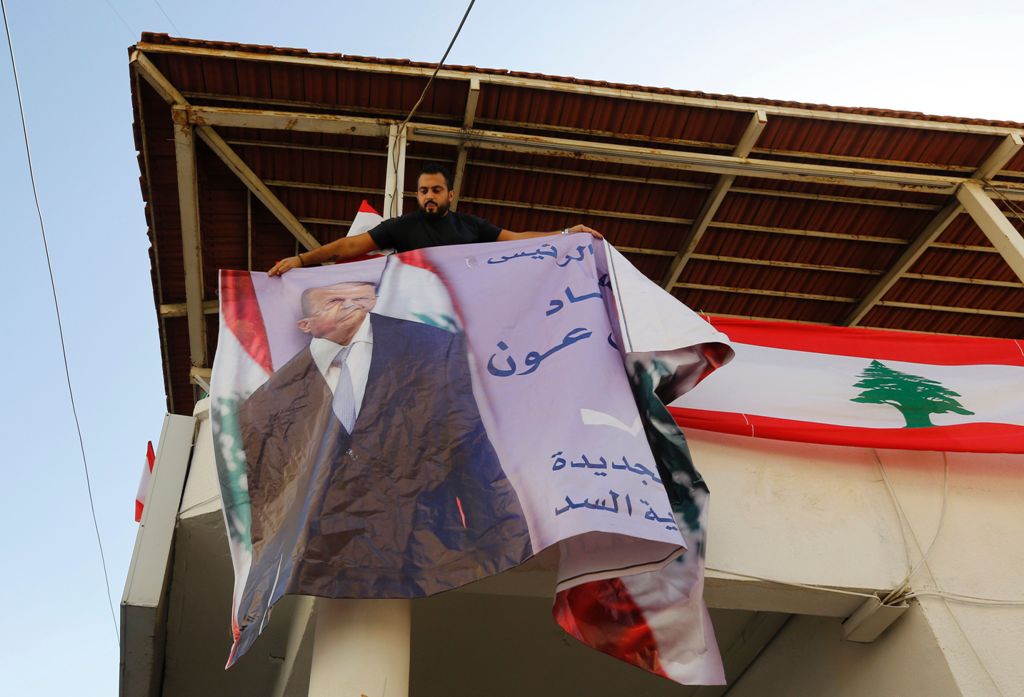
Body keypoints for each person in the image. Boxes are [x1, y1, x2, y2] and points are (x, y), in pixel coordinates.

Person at [236, 278, 532, 628]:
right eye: (335, 301)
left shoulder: (431, 348)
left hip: (422, 544)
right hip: (320, 555)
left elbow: (467, 440)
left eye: (362, 298)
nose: (353, 306)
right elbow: (270, 491)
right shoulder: (267, 401)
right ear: (307, 325)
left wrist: (503, 534)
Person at [268, 162, 602, 276]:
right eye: (424, 190)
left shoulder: (471, 225)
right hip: (416, 319)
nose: (430, 196)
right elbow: (349, 246)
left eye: (437, 190)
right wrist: (301, 260)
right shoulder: (404, 226)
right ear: (417, 194)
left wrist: (565, 233)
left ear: (450, 194)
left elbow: (515, 241)